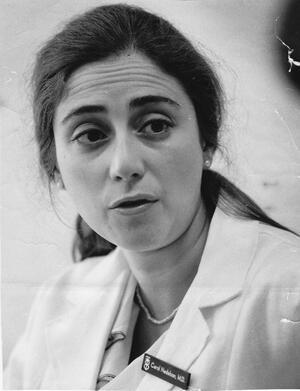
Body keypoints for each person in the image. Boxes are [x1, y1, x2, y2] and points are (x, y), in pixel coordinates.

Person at [4, 3, 300, 390]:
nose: (125, 164)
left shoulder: (287, 296)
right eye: (91, 134)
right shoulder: (58, 302)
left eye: (155, 125)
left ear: (205, 141)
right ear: (55, 167)